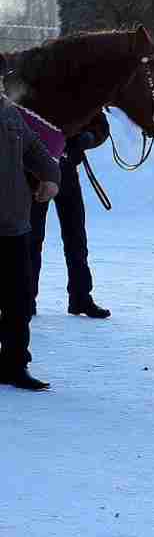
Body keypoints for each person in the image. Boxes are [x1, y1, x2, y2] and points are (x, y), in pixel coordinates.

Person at [0, 56, 60, 390]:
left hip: (14, 225)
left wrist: (50, 178)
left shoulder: (10, 114)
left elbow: (40, 154)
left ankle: (13, 365)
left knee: (18, 302)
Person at [30, 112, 111, 319]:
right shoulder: (38, 85)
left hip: (67, 171)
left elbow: (100, 126)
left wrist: (87, 138)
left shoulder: (80, 90)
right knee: (32, 238)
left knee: (76, 237)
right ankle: (26, 298)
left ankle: (80, 297)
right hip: (35, 172)